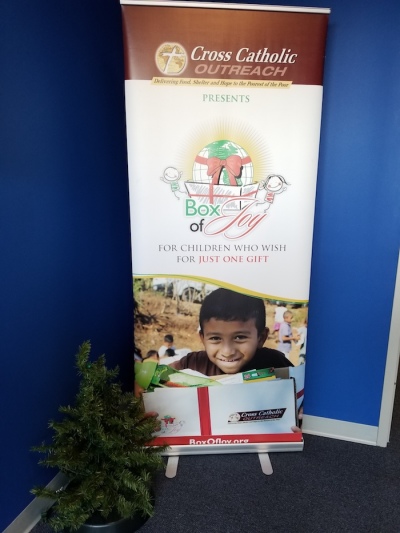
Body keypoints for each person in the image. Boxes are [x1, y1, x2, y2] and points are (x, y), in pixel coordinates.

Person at [170, 288, 293, 376]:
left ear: (261, 338)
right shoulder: (192, 365)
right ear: (202, 338)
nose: (227, 352)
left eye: (239, 337)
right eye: (215, 338)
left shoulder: (275, 364)